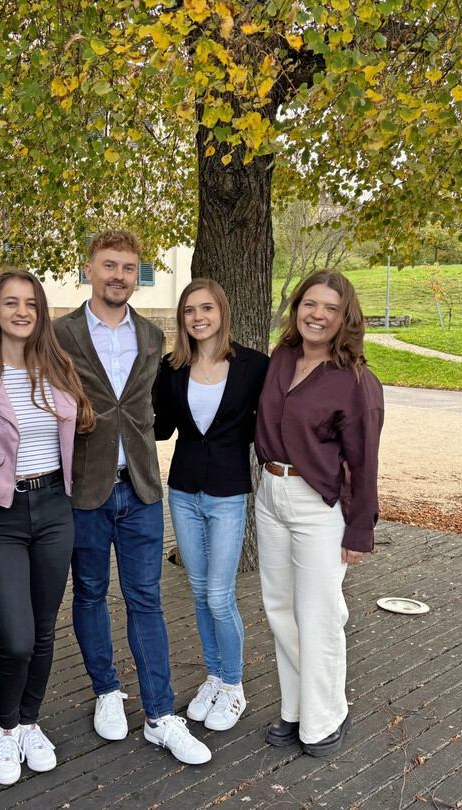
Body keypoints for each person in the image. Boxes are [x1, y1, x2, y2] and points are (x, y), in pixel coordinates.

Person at [53, 229, 211, 765]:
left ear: (137, 274)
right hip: (86, 490)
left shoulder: (152, 335)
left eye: (128, 267)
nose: (119, 275)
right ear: (90, 269)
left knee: (147, 600)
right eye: (109, 265)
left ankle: (162, 715)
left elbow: (155, 407)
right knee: (91, 595)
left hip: (141, 489)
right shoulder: (59, 334)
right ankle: (105, 691)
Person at [0, 269, 96, 785]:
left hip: (53, 509)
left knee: (45, 630)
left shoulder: (58, 365)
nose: (22, 311)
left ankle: (27, 723)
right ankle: (2, 732)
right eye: (11, 302)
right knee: (17, 639)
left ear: (41, 312)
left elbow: (82, 424)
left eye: (31, 303)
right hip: (2, 515)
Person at [254, 270, 384, 758]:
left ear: (345, 317)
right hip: (270, 493)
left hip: (318, 505)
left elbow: (364, 463)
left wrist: (359, 529)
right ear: (297, 309)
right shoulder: (282, 358)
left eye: (330, 308)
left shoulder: (355, 383)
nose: (318, 315)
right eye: (310, 304)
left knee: (320, 612)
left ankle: (324, 717)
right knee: (280, 608)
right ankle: (296, 707)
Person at [153, 278, 268, 732]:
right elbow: (161, 429)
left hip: (227, 494)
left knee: (221, 596)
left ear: (222, 311)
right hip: (181, 492)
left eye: (206, 308)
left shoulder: (254, 366)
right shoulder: (172, 366)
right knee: (200, 594)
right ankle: (214, 677)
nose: (198, 317)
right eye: (189, 311)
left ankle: (235, 686)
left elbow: (273, 423)